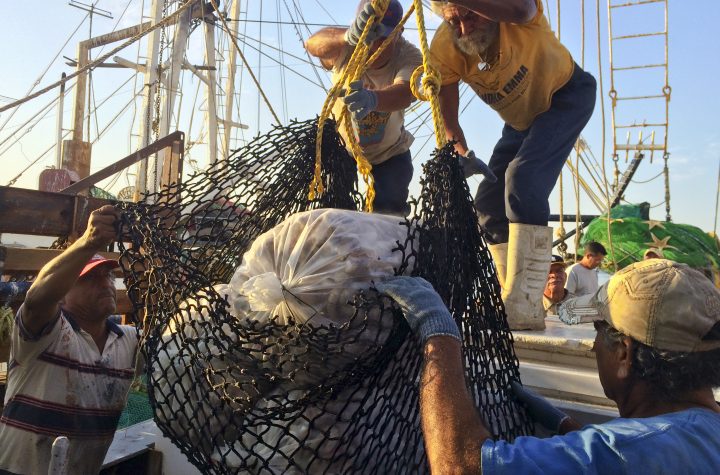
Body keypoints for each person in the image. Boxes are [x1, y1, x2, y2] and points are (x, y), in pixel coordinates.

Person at [377, 259, 720, 473]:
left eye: (599, 331)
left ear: (623, 355)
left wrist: (439, 335)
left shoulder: (632, 449)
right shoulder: (702, 431)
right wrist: (565, 424)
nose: (593, 345)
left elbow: (459, 468)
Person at [428, 0, 597, 329]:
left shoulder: (515, 14)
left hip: (566, 96)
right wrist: (461, 153)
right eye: (453, 21)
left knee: (523, 180)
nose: (464, 28)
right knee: (488, 203)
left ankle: (526, 303)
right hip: (520, 122)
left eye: (470, 16)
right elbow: (449, 121)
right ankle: (511, 297)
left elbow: (521, 11)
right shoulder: (445, 48)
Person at [0, 205, 138, 475]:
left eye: (109, 275)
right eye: (91, 278)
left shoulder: (130, 341)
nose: (106, 283)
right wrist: (89, 241)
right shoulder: (45, 333)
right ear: (62, 294)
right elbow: (37, 298)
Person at [305, 0, 422, 215]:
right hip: (342, 148)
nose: (376, 44)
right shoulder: (346, 46)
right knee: (333, 212)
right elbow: (312, 44)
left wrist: (373, 99)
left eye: (384, 37)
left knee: (388, 214)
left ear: (399, 32)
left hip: (390, 152)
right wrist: (346, 36)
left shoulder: (410, 55)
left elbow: (406, 92)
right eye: (372, 35)